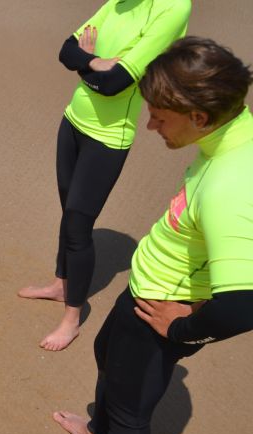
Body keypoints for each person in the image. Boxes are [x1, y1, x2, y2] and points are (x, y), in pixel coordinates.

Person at [40, 37, 253, 434]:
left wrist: (184, 329)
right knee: (104, 351)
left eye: (159, 115)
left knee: (130, 407)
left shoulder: (229, 186)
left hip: (163, 309)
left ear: (199, 117)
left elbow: (243, 304)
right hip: (147, 286)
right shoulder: (232, 133)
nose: (150, 124)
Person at [18, 0, 191, 351]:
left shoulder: (172, 8)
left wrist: (85, 67)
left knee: (79, 224)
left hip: (108, 139)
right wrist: (93, 62)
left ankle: (72, 319)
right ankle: (61, 283)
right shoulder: (119, 2)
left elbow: (115, 83)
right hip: (72, 122)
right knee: (69, 213)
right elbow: (67, 50)